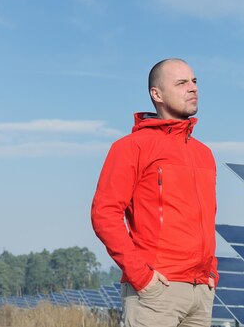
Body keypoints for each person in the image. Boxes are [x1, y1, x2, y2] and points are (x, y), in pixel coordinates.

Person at [91, 58, 218, 327]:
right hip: (156, 292)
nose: (192, 88)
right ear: (156, 94)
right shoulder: (131, 147)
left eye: (194, 81)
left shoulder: (204, 154)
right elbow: (105, 213)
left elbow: (207, 220)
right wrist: (141, 276)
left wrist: (211, 274)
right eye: (181, 83)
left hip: (200, 293)